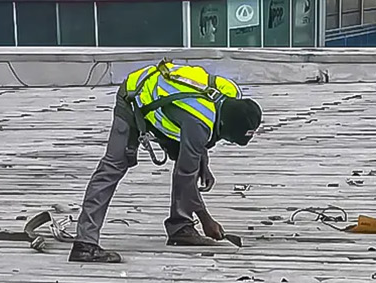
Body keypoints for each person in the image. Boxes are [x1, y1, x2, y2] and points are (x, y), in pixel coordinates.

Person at [70, 61, 263, 264]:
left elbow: (202, 131)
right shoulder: (199, 120)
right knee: (112, 167)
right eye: (227, 137)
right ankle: (85, 244)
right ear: (223, 124)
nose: (224, 140)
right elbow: (185, 176)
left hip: (167, 104)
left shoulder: (230, 93)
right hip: (134, 97)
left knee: (191, 162)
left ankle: (180, 228)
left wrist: (202, 163)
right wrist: (207, 220)